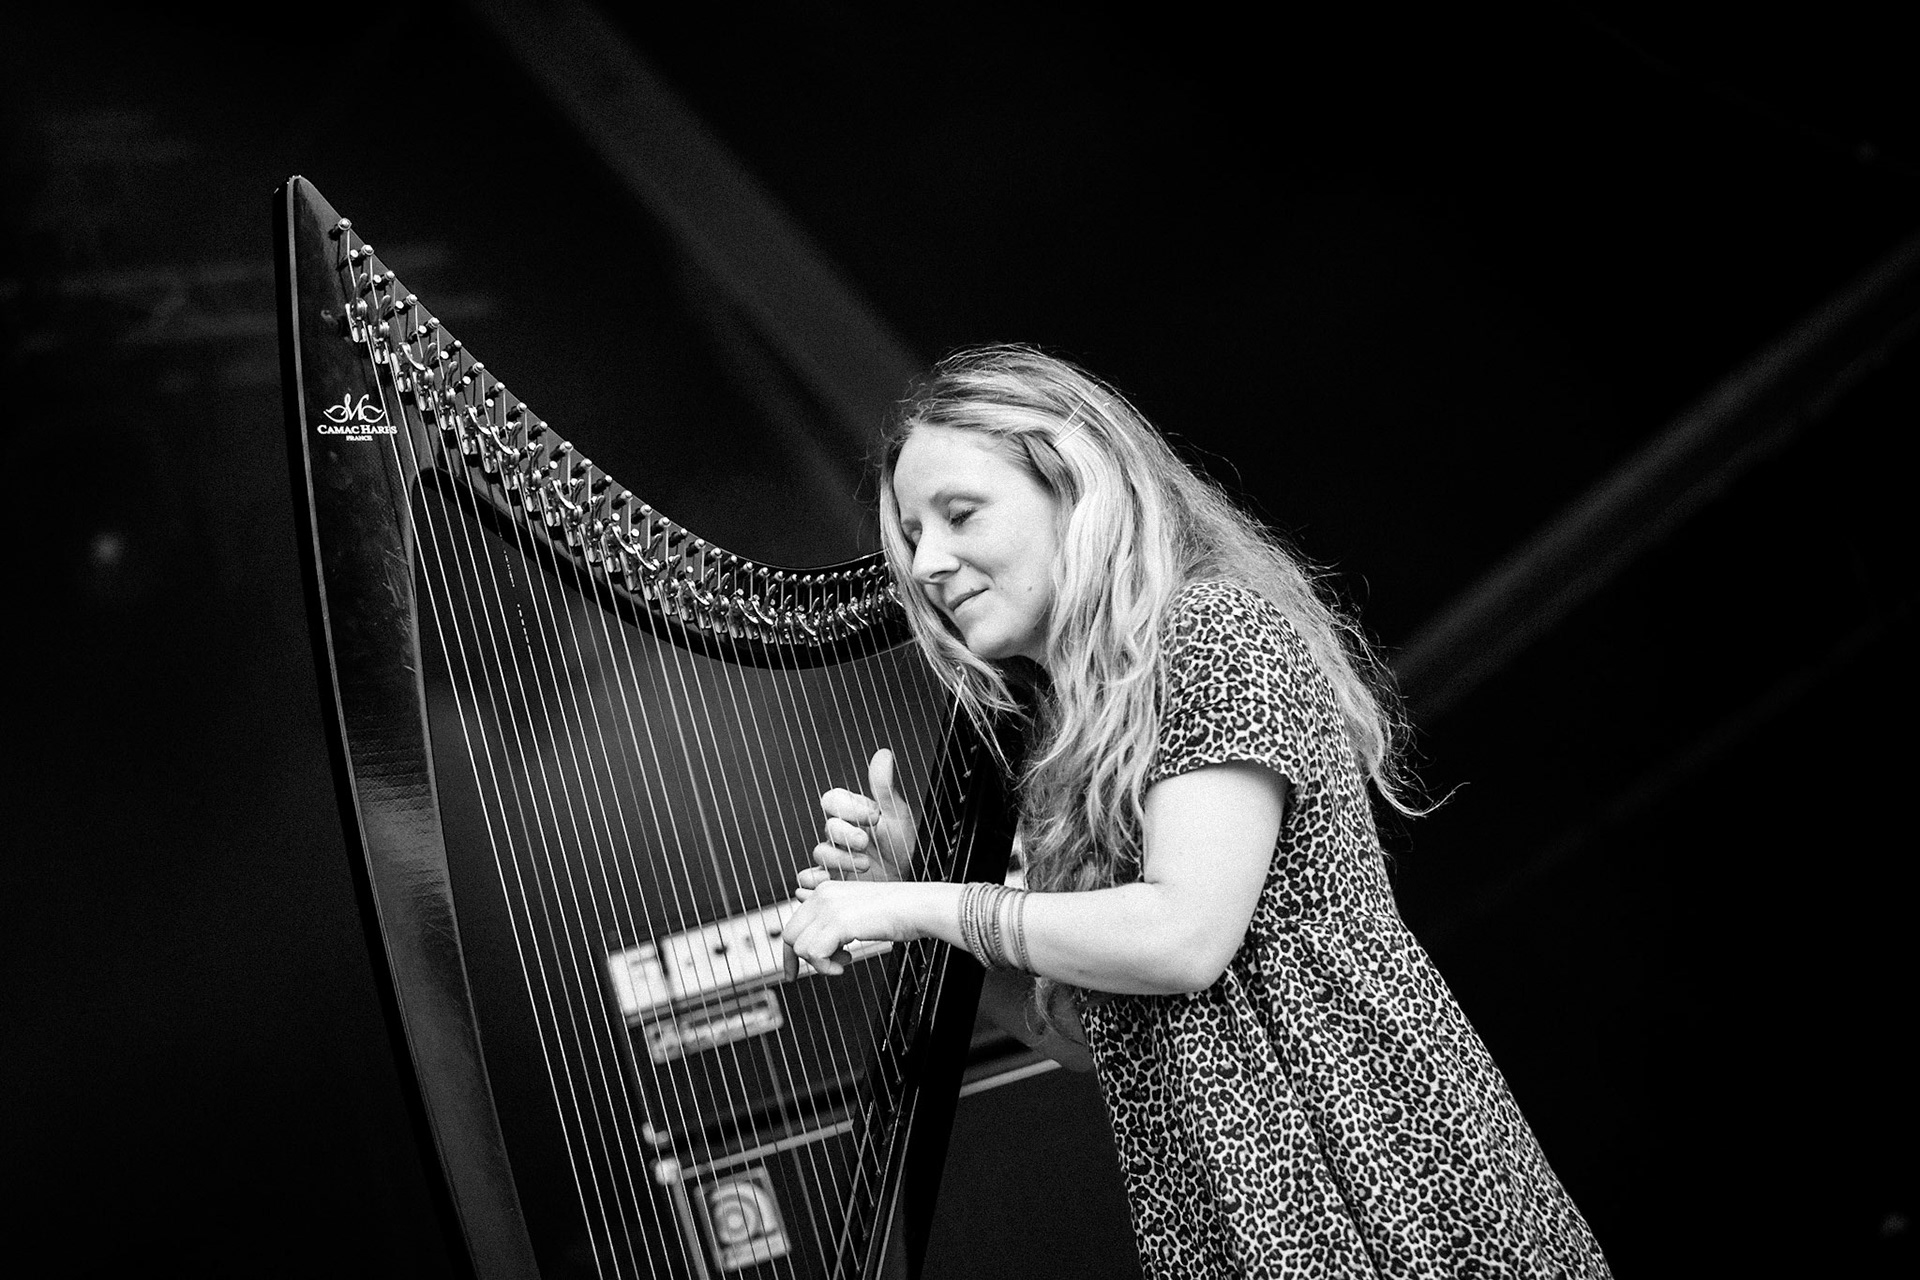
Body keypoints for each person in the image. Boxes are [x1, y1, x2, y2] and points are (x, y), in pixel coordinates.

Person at [779, 345, 1611, 1277]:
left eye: (960, 515)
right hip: (1228, 1226)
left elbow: (1180, 938)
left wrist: (915, 905)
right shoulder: (1068, 745)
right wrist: (925, 903)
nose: (928, 562)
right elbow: (1100, 1040)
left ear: (1074, 484)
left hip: (1378, 1187)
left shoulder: (1208, 630)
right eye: (911, 536)